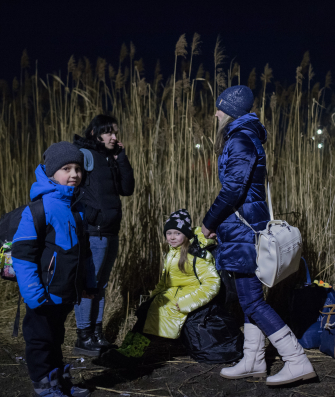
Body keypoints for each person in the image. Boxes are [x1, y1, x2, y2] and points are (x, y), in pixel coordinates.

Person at [201, 85, 316, 386]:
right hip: (244, 227)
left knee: (252, 301)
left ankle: (296, 359)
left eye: (220, 108)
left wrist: (208, 221)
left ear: (232, 111)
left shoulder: (239, 139)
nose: (216, 113)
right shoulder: (245, 136)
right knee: (248, 297)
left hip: (243, 229)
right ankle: (253, 359)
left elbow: (233, 189)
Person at [11, 142, 96, 397]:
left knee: (55, 339)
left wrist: (88, 284)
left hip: (64, 293)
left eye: (78, 169)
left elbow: (85, 253)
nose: (74, 174)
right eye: (66, 168)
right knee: (39, 341)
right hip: (42, 294)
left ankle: (59, 380)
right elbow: (22, 254)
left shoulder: (78, 210)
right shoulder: (38, 209)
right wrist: (34, 294)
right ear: (51, 173)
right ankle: (44, 386)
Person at [103, 209, 221, 360]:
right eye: (169, 233)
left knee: (155, 313)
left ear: (186, 234)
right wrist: (153, 298)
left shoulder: (196, 254)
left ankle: (134, 353)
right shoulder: (172, 252)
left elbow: (212, 283)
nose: (172, 237)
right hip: (172, 293)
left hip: (185, 297)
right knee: (145, 310)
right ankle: (128, 347)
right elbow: (165, 282)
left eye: (177, 233)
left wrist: (186, 302)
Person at [71, 114, 135, 356]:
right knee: (89, 285)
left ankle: (97, 334)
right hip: (93, 231)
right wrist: (89, 216)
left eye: (115, 132)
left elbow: (127, 189)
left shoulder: (110, 158)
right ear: (95, 133)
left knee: (101, 285)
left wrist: (121, 158)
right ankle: (83, 336)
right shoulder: (84, 155)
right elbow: (70, 187)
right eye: (109, 132)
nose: (114, 137)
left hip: (110, 231)